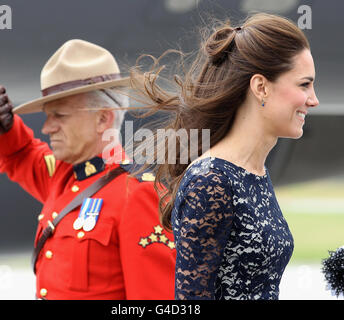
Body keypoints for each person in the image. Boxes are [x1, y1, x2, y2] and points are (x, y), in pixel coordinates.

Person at [130, 13, 319, 299]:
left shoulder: (254, 172)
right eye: (304, 85)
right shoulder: (212, 181)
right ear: (260, 87)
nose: (313, 99)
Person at [0, 39, 176, 300]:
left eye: (61, 116)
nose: (46, 128)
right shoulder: (64, 176)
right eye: (48, 115)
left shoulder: (138, 194)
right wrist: (3, 130)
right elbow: (21, 156)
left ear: (103, 118)